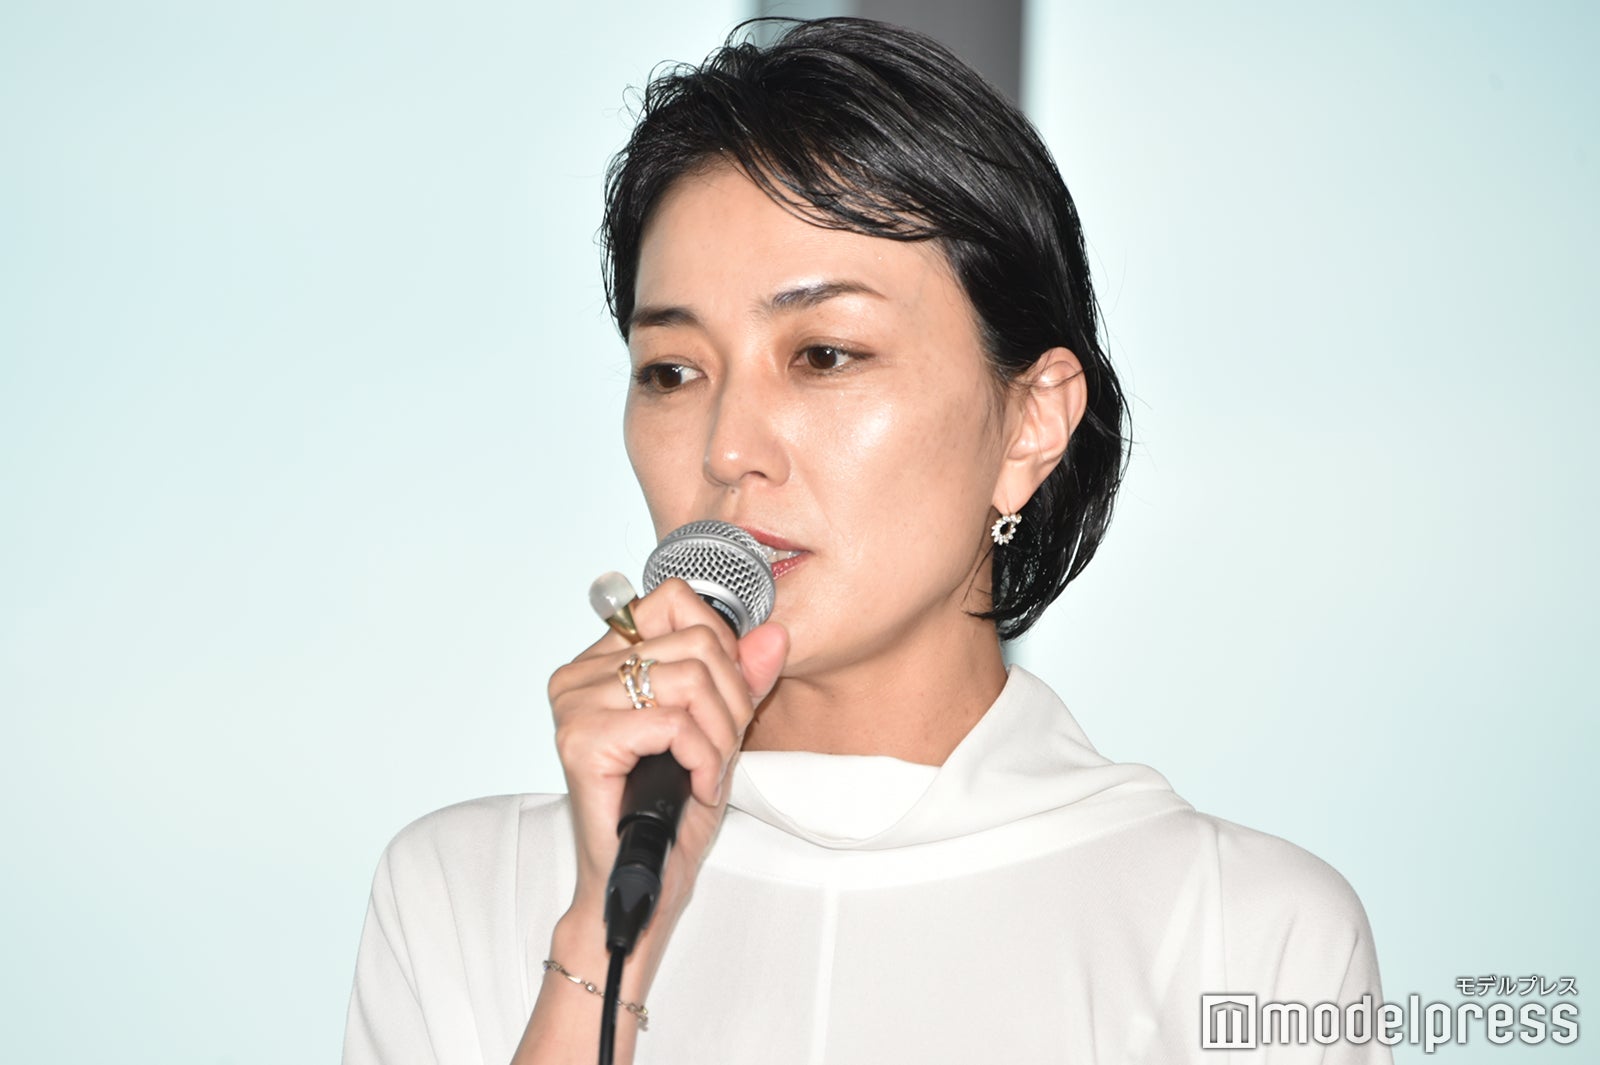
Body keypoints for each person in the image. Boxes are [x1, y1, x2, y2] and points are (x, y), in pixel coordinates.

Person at [343, 17, 1388, 1065]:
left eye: (825, 355)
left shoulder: (1242, 933)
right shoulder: (463, 893)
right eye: (673, 371)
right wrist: (596, 947)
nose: (727, 449)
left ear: (1030, 423)